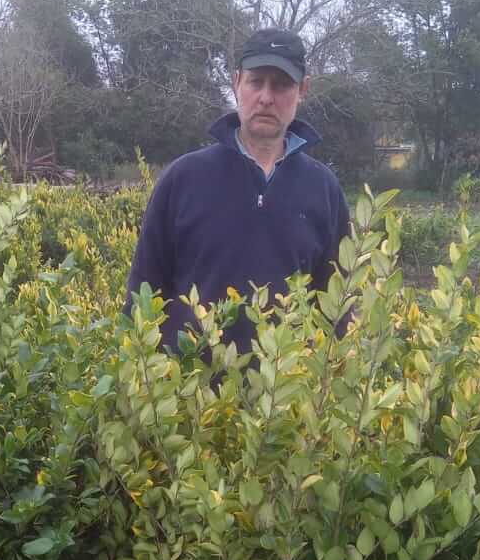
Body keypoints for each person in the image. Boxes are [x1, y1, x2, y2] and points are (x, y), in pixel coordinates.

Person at [124, 27, 350, 352]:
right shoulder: (182, 179)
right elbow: (142, 295)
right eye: (256, 81)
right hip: (187, 381)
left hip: (287, 381)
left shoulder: (324, 189)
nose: (266, 97)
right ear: (236, 83)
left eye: (281, 84)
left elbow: (336, 309)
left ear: (302, 89)